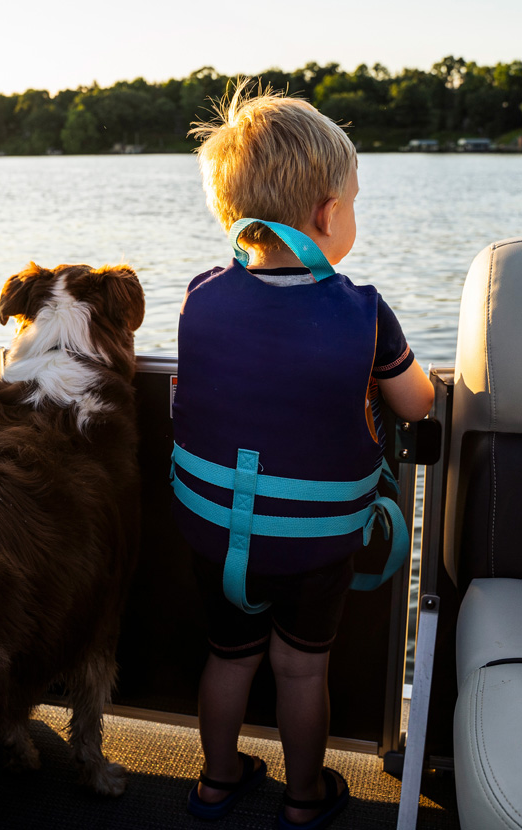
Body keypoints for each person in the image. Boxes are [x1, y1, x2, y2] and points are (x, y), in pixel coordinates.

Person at [171, 83, 434, 830]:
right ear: (326, 213)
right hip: (311, 546)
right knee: (299, 667)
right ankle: (303, 796)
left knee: (227, 658)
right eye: (351, 201)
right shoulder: (362, 310)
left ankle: (216, 783)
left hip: (214, 532)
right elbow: (415, 402)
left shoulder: (199, 297)